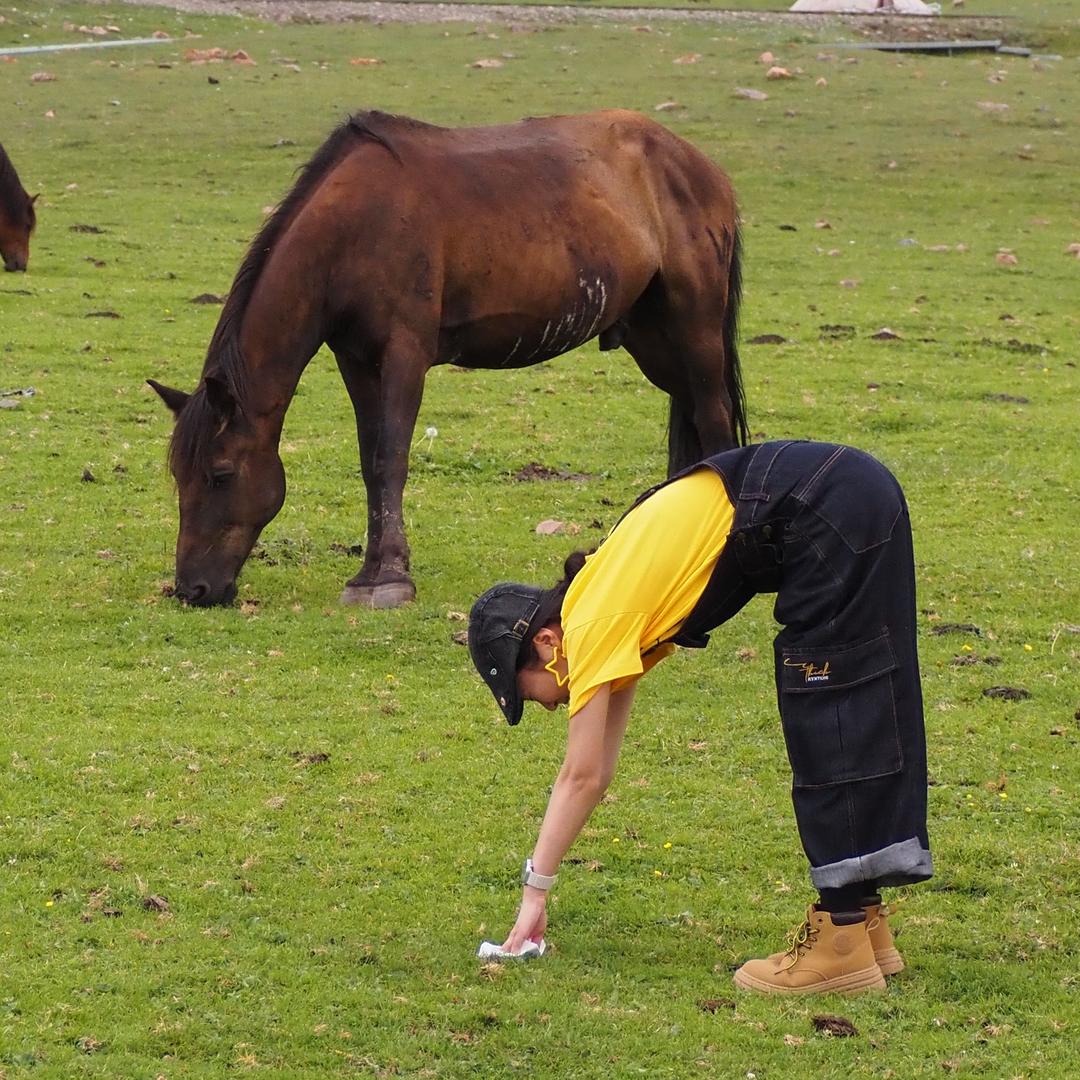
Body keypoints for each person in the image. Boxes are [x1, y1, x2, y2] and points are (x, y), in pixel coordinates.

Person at [467, 440, 931, 994]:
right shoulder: (607, 595)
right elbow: (600, 770)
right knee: (859, 691)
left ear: (545, 642)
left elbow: (580, 773)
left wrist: (534, 891)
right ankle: (863, 928)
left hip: (823, 505)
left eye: (535, 693)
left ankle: (838, 943)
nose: (551, 704)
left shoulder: (590, 620)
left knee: (825, 706)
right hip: (852, 490)